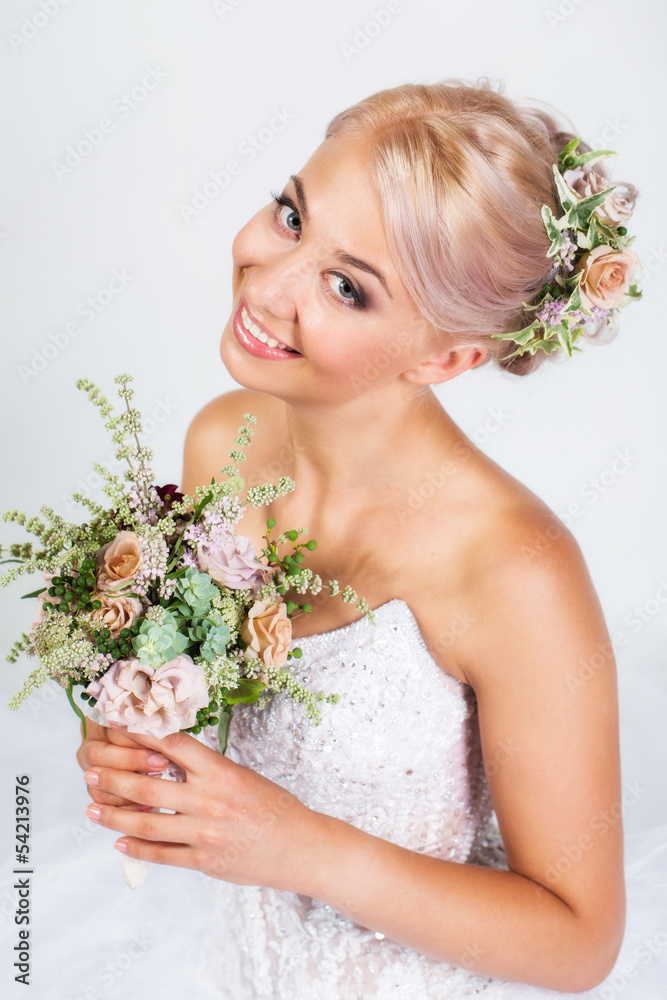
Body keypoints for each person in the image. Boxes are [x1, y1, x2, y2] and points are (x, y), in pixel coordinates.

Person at [75, 78, 667, 998]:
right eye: (289, 216)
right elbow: (213, 704)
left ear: (446, 358)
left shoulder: (513, 570)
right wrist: (137, 726)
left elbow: (580, 944)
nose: (267, 288)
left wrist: (301, 849)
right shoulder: (220, 441)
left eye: (347, 288)